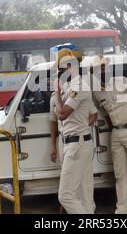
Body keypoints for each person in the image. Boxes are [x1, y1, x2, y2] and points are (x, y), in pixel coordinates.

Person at [90, 55, 127, 214]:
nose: (102, 70)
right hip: (116, 133)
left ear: (107, 69)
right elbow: (105, 113)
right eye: (98, 69)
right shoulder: (97, 94)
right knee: (120, 174)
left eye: (103, 67)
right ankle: (122, 209)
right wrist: (115, 125)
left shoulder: (123, 81)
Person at [50, 48, 97, 214]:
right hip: (72, 142)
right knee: (83, 195)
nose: (59, 75)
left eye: (61, 71)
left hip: (78, 143)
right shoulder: (70, 86)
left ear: (70, 66)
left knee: (65, 196)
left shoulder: (79, 86)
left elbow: (62, 114)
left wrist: (56, 92)